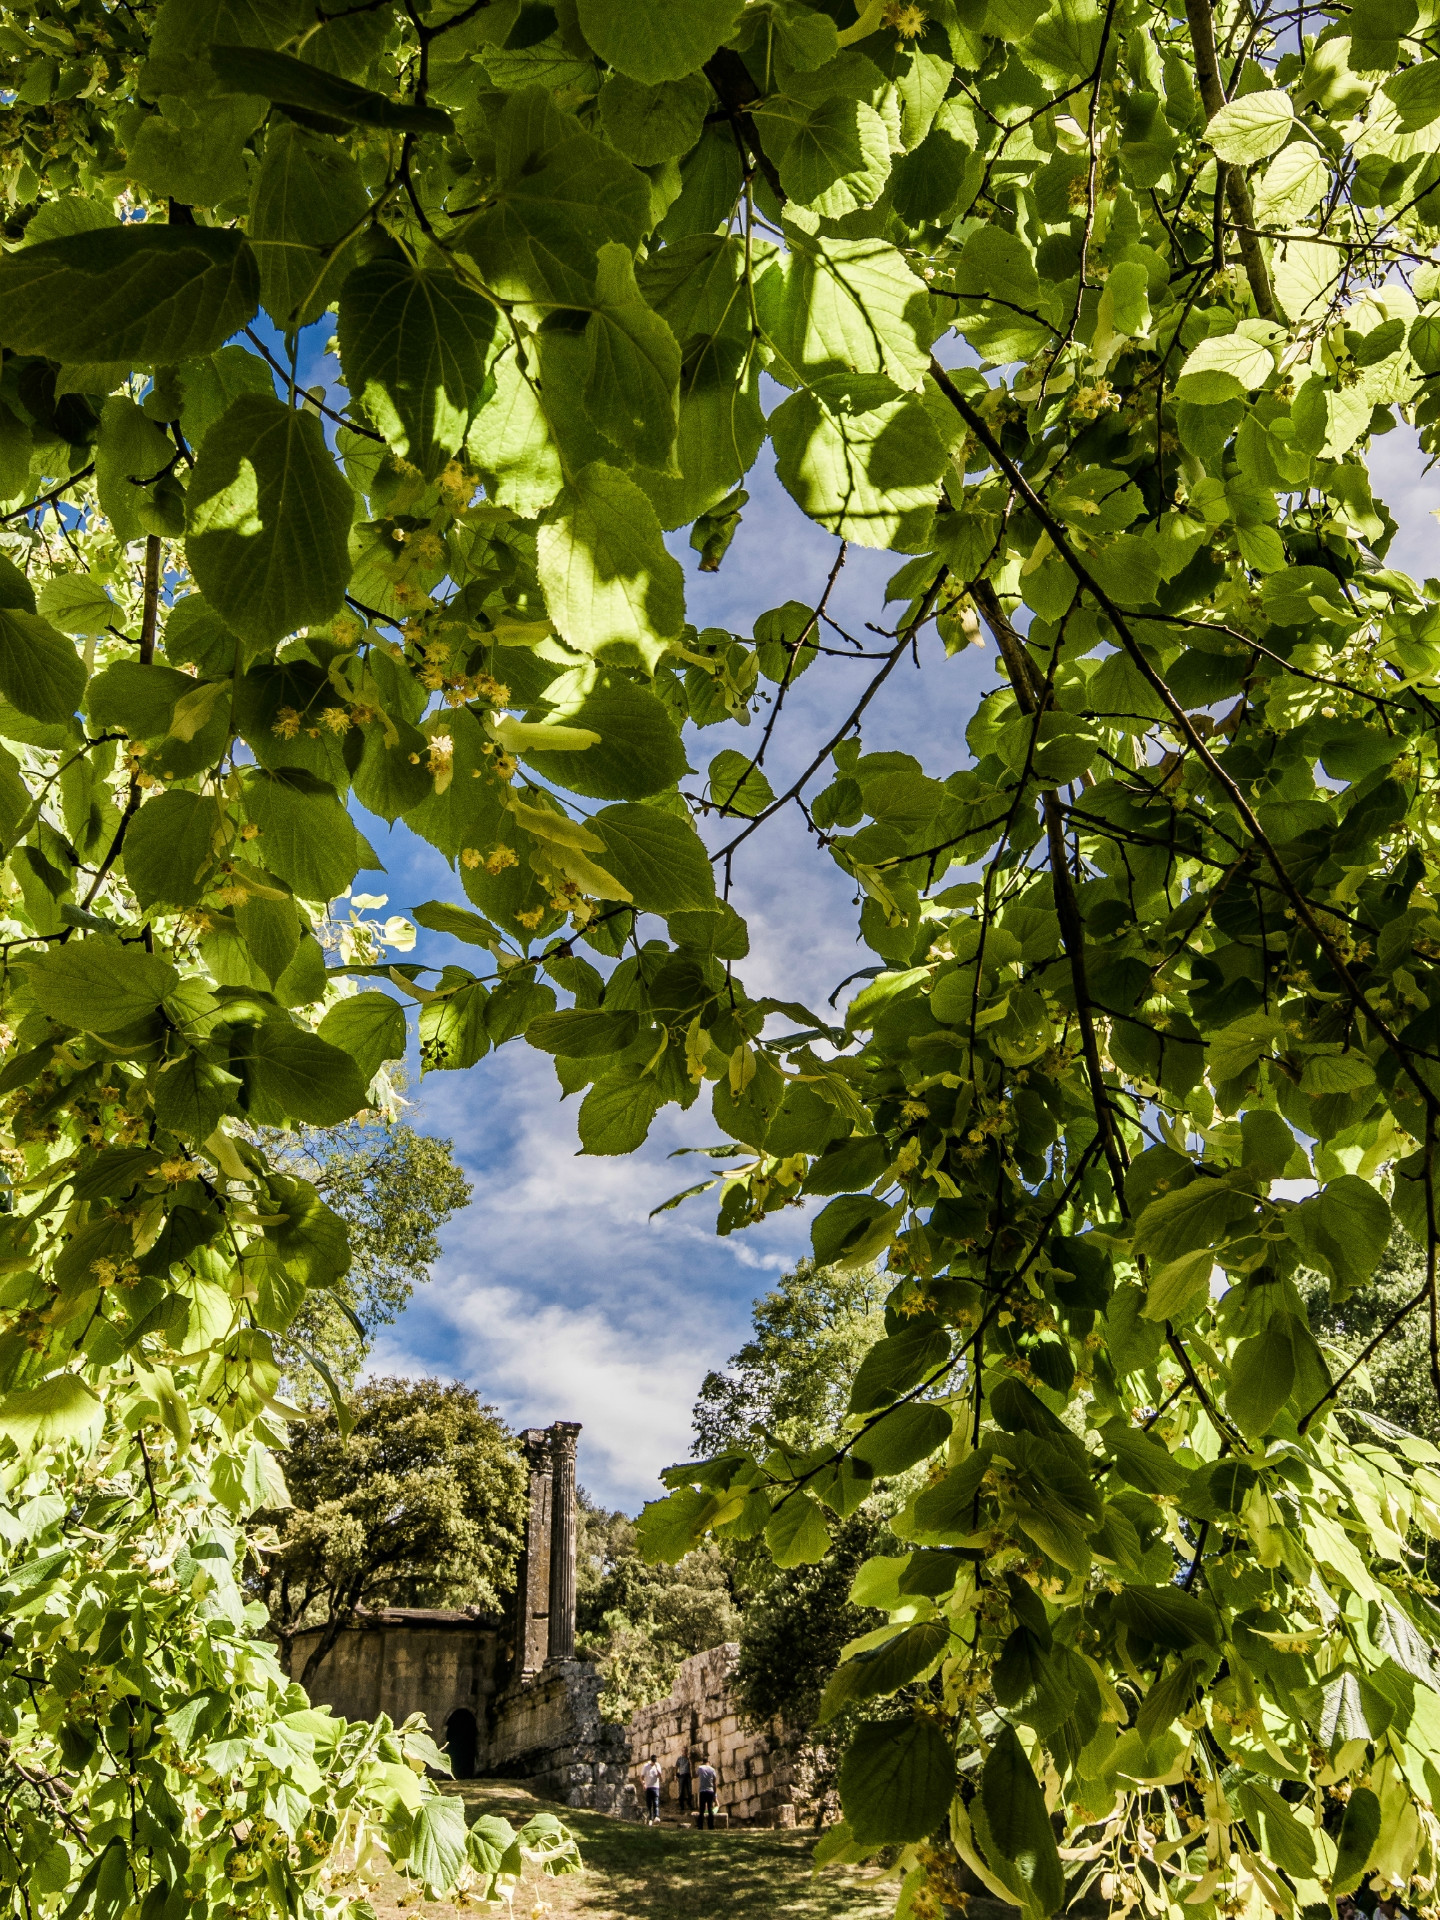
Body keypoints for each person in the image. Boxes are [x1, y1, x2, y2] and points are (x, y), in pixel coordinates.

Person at [695, 1757, 718, 1830]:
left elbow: (696, 1775)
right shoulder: (712, 1769)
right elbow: (715, 1782)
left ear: (703, 1761)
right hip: (710, 1791)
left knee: (701, 1809)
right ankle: (711, 1826)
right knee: (710, 1809)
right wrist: (715, 1793)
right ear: (709, 1762)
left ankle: (700, 1826)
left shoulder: (700, 1768)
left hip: (702, 1791)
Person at [641, 1756, 661, 1825]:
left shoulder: (657, 1765)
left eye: (655, 1761)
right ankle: (650, 1819)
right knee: (649, 1804)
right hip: (648, 1787)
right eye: (653, 1761)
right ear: (651, 1760)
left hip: (656, 1787)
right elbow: (642, 1777)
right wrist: (644, 1784)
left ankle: (656, 1817)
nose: (654, 1762)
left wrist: (657, 1768)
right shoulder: (646, 1766)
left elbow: (659, 1776)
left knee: (656, 1802)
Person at [676, 1750, 693, 1814]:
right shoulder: (679, 1758)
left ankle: (689, 1804)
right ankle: (681, 1805)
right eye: (684, 1751)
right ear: (682, 1752)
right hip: (682, 1775)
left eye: (686, 1751)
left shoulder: (688, 1759)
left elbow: (691, 1766)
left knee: (689, 1790)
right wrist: (675, 1775)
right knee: (681, 1791)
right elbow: (676, 1766)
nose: (685, 1752)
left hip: (688, 1775)